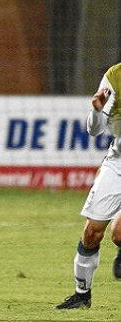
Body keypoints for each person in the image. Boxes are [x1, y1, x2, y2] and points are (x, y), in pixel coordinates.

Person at [56, 63, 121, 309]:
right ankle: (82, 296)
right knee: (92, 232)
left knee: (119, 234)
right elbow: (95, 130)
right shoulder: (115, 76)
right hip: (118, 164)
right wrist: (96, 111)